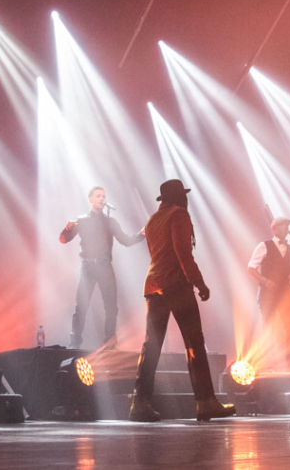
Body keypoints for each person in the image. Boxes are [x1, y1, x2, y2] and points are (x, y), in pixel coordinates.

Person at [129, 179, 235, 422]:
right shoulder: (179, 215)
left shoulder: (153, 220)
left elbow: (157, 254)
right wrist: (199, 283)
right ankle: (206, 402)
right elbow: (182, 253)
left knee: (151, 346)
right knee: (194, 344)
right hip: (175, 284)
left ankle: (140, 402)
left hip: (154, 284)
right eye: (184, 195)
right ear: (180, 196)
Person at [59, 186, 144, 349]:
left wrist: (141, 234)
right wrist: (67, 229)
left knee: (111, 306)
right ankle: (75, 342)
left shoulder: (111, 222)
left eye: (104, 196)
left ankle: (110, 342)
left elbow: (126, 240)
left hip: (105, 266)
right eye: (98, 196)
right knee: (81, 306)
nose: (102, 199)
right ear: (90, 199)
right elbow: (63, 240)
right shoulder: (82, 220)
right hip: (88, 266)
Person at [247, 216, 290, 372]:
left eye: (287, 226)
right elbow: (251, 268)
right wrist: (265, 281)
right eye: (284, 226)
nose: (286, 229)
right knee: (269, 327)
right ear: (275, 228)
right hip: (268, 292)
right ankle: (266, 363)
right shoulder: (264, 246)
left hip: (286, 291)